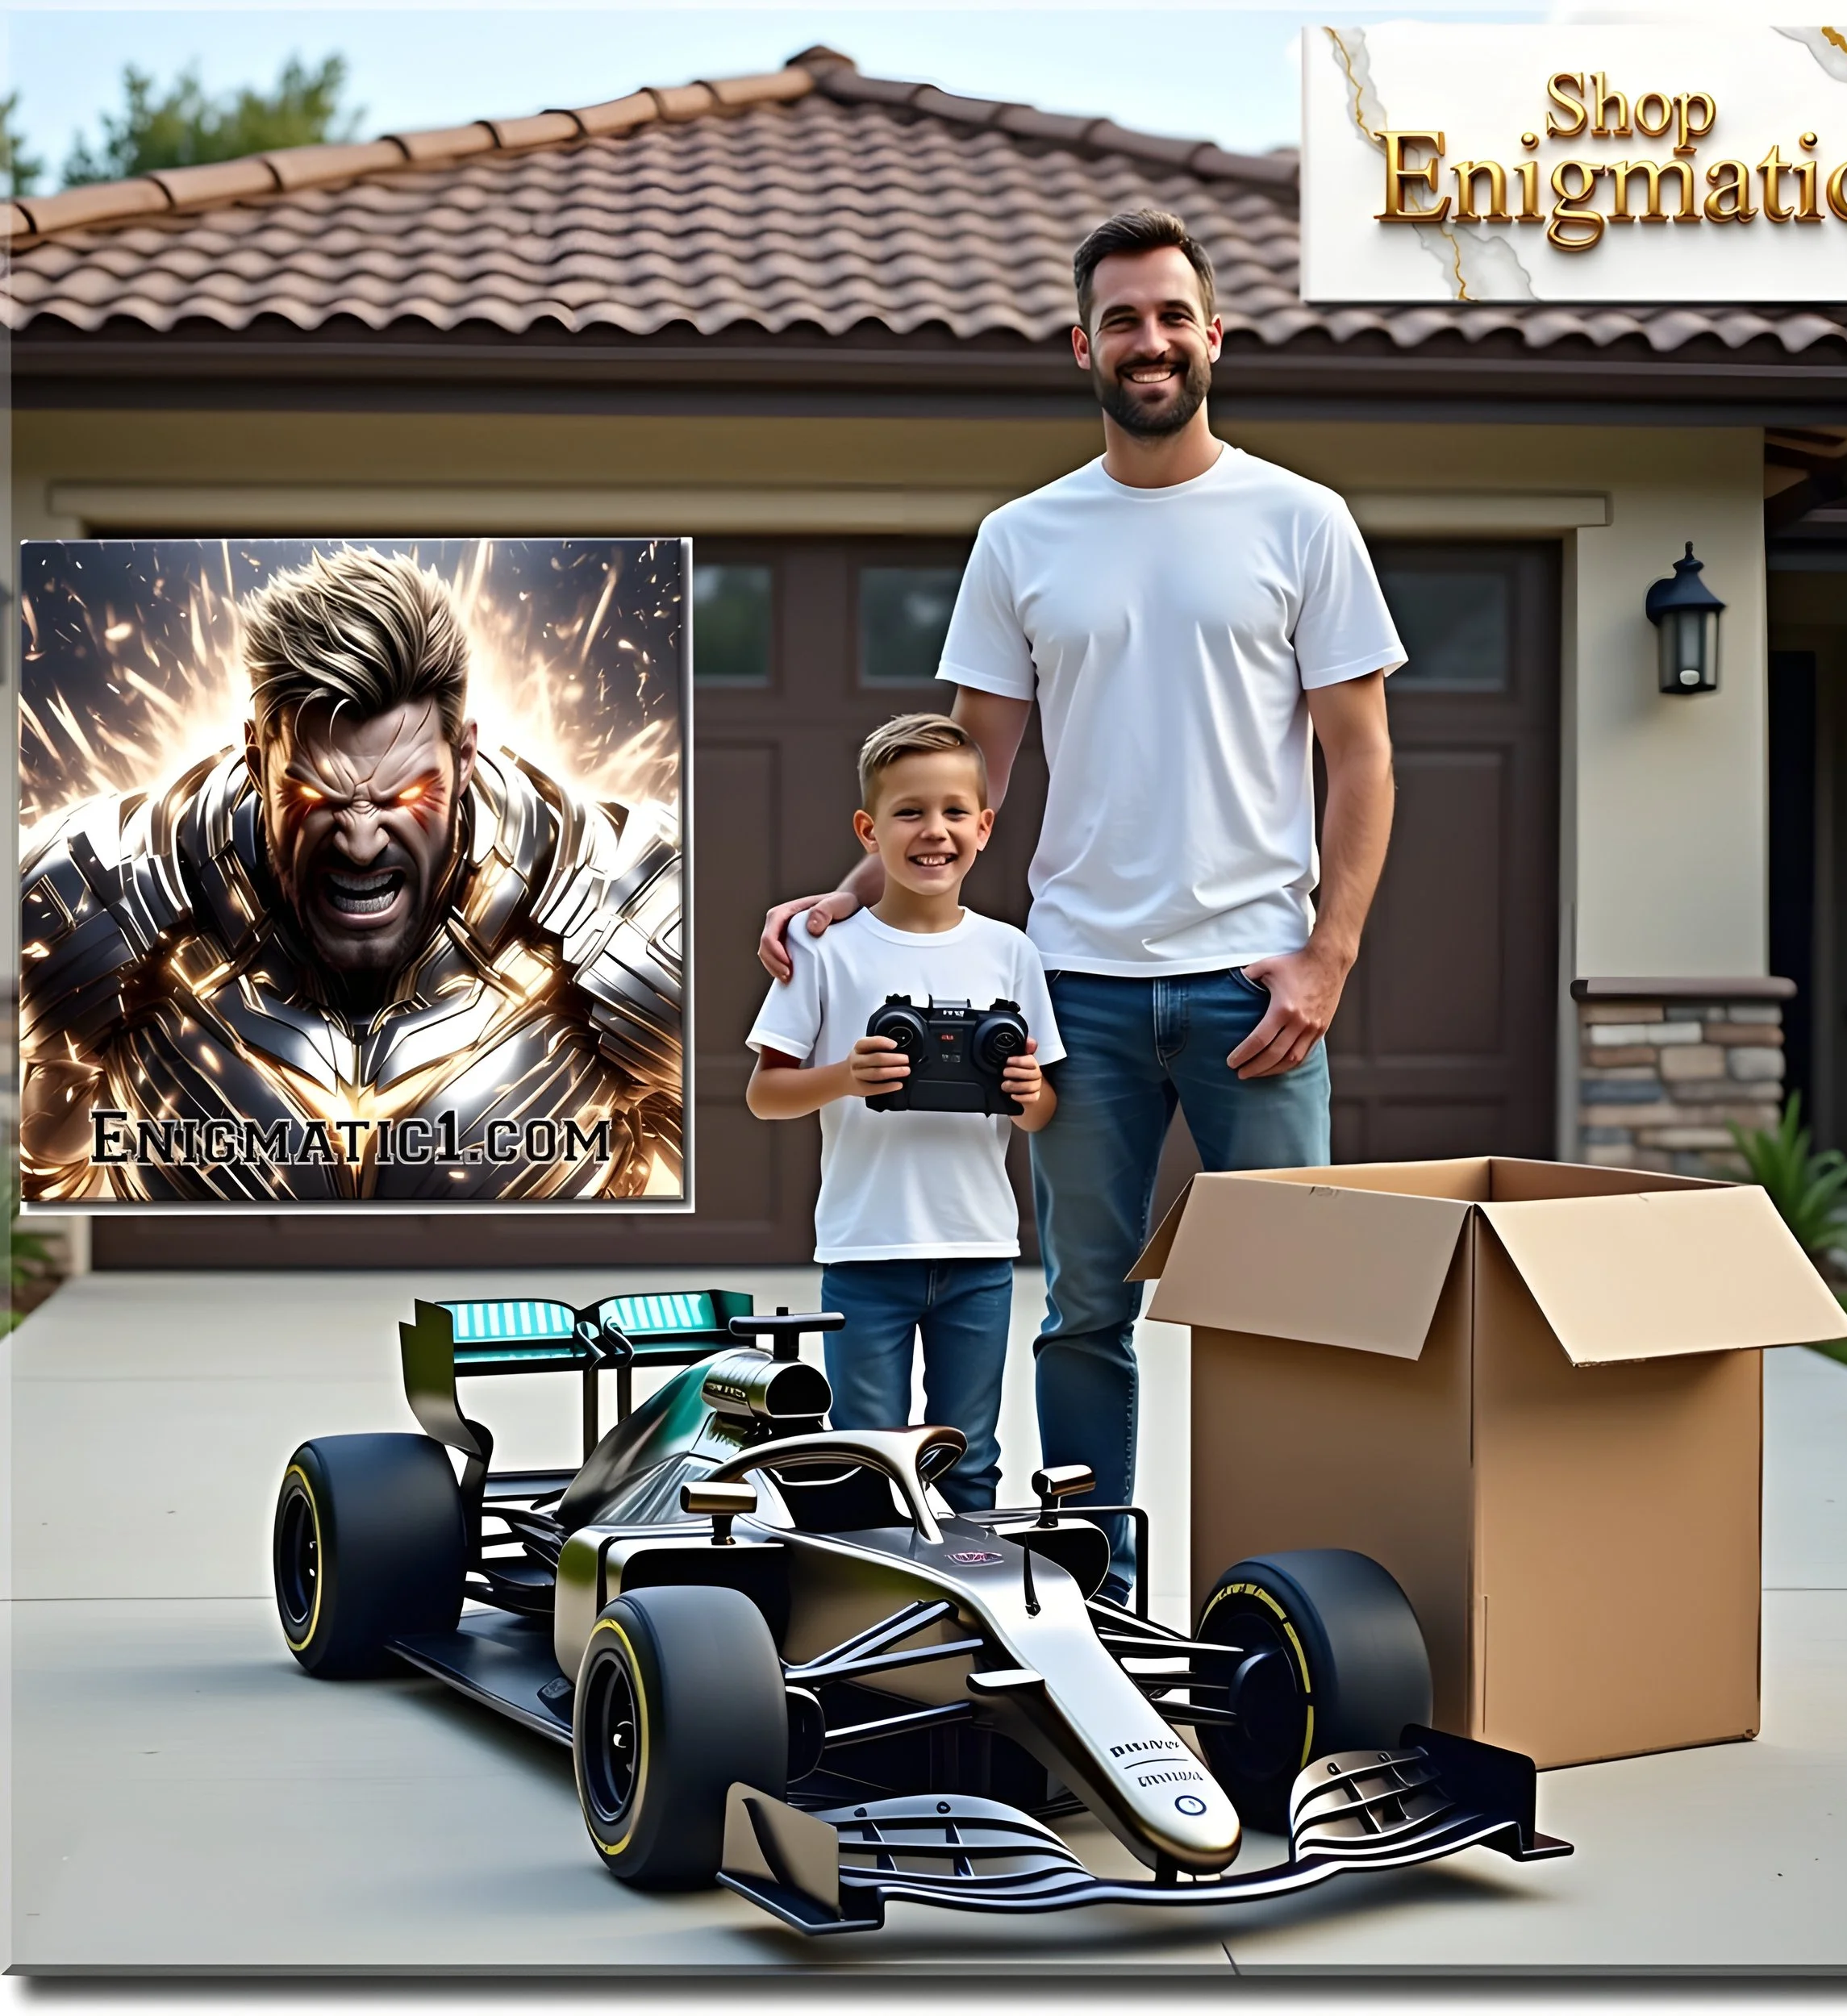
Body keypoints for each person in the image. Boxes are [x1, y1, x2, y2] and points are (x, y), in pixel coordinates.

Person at [758, 210, 1404, 1595]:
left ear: (1214, 337)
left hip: (1256, 998)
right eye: (1123, 320)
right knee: (1085, 1314)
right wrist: (849, 893)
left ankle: (1284, 1590)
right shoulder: (1023, 538)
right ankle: (1091, 1591)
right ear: (1083, 346)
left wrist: (1328, 958)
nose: (1150, 341)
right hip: (1076, 995)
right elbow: (969, 771)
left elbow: (1362, 756)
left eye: (1173, 316)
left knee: (1288, 1313)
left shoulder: (1303, 521)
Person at [19, 545, 685, 1202]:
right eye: (318, 799)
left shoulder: (635, 917)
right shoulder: (87, 903)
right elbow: (37, 1214)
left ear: (465, 757)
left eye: (405, 798)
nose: (362, 843)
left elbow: (729, 1207)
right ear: (255, 760)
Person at [746, 713, 1063, 1513]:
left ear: (985, 827)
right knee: (867, 1453)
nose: (935, 831)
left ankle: (970, 1609)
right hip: (866, 1245)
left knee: (972, 1457)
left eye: (956, 812)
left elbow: (1041, 1112)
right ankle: (870, 1612)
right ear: (869, 828)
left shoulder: (1011, 952)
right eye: (910, 812)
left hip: (979, 1248)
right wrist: (844, 1077)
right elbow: (765, 1093)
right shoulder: (826, 950)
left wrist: (1029, 1093)